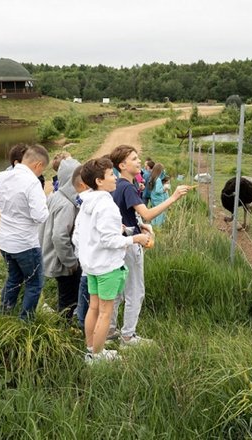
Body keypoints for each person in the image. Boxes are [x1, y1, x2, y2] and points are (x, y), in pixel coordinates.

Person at [108, 145, 191, 346]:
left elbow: (124, 215)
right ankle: (128, 337)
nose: (139, 161)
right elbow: (147, 213)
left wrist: (138, 225)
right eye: (134, 158)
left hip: (119, 243)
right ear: (122, 165)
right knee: (135, 291)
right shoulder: (128, 187)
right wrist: (174, 197)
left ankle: (109, 332)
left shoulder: (116, 185)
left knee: (117, 292)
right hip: (131, 245)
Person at [73, 157, 150, 363]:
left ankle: (91, 349)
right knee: (105, 312)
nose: (115, 177)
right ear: (99, 181)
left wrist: (122, 229)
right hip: (107, 267)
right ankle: (97, 356)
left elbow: (79, 235)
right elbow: (109, 240)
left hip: (91, 266)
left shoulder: (87, 202)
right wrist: (135, 239)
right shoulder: (107, 205)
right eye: (110, 175)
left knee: (94, 308)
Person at [0, 144, 50, 320]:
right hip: (25, 243)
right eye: (42, 169)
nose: (40, 173)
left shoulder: (1, 176)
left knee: (13, 278)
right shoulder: (32, 182)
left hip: (5, 241)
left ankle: (4, 314)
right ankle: (25, 322)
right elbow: (40, 216)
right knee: (34, 283)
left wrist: (8, 207)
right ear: (38, 165)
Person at [39, 157, 81, 321]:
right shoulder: (67, 205)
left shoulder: (55, 196)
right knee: (68, 298)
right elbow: (59, 236)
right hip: (62, 260)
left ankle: (66, 321)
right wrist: (71, 262)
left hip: (55, 255)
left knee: (66, 293)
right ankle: (65, 326)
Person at [70, 165, 92, 330]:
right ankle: (83, 327)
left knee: (84, 291)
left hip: (84, 257)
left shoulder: (82, 201)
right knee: (86, 294)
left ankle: (82, 324)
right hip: (90, 259)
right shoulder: (89, 201)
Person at [146, 163, 169, 227]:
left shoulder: (152, 178)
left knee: (154, 213)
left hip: (153, 199)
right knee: (159, 214)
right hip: (158, 200)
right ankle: (158, 228)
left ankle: (153, 226)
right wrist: (165, 188)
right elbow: (158, 190)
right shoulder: (158, 180)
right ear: (159, 171)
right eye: (162, 170)